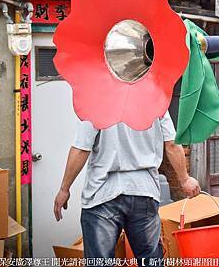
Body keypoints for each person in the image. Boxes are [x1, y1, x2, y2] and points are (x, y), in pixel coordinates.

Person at [53, 112, 200, 264]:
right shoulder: (156, 97)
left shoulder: (95, 100)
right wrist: (184, 179)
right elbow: (171, 143)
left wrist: (65, 189)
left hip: (103, 194)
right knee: (150, 261)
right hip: (143, 191)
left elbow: (81, 148)